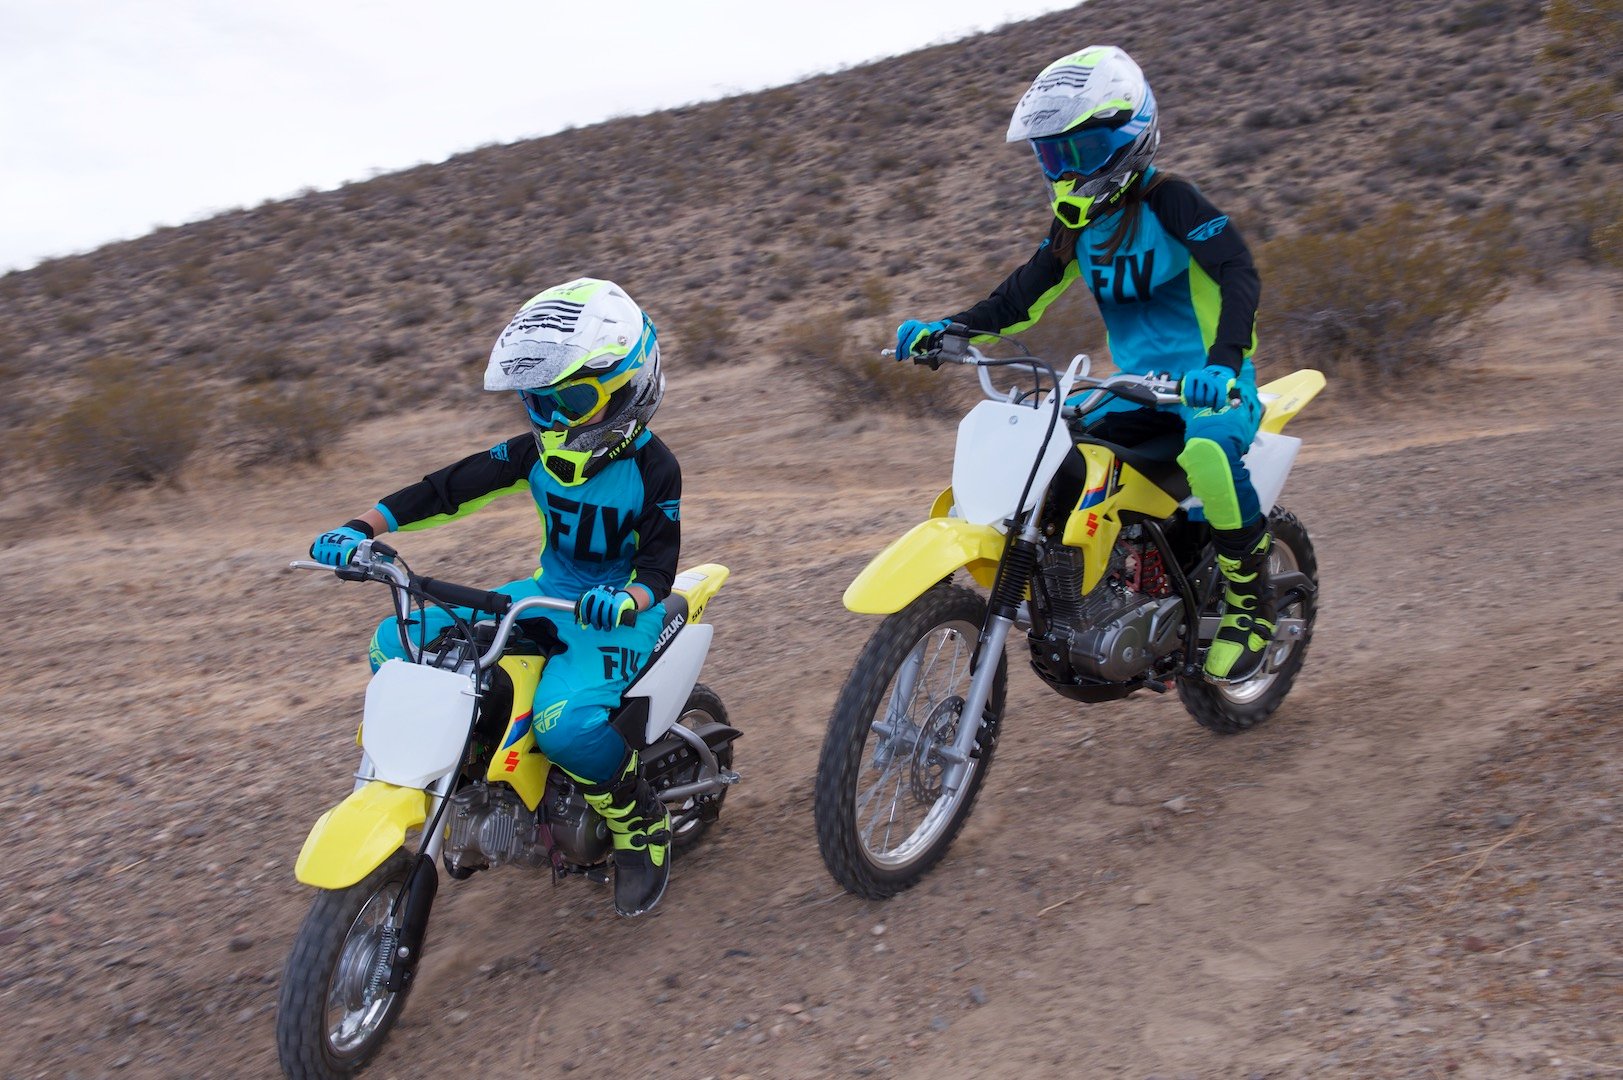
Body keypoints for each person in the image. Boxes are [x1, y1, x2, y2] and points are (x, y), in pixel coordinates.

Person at [894, 45, 1273, 683]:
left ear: (1129, 138)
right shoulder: (1079, 225)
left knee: (1207, 453)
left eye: (1079, 151)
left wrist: (1225, 362)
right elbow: (1018, 298)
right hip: (1132, 389)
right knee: (1047, 442)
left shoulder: (1172, 202)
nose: (1064, 170)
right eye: (1053, 154)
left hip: (1209, 386)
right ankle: (1076, 593)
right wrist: (948, 329)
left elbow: (1238, 272)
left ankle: (1248, 601)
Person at [308, 277, 681, 916]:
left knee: (564, 726)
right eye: (540, 403)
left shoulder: (654, 468)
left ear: (628, 388)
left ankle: (639, 827)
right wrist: (361, 528)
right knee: (397, 643)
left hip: (615, 615)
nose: (554, 421)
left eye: (573, 401)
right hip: (547, 595)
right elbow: (448, 488)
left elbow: (658, 567)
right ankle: (474, 778)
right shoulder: (535, 452)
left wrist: (629, 601)